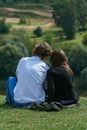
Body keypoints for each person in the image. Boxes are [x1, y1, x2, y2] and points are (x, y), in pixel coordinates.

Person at [6, 42, 52, 107]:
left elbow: (18, 77)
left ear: (35, 51)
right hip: (39, 102)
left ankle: (9, 101)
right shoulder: (45, 67)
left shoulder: (23, 60)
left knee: (11, 79)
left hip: (20, 102)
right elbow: (45, 86)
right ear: (46, 56)